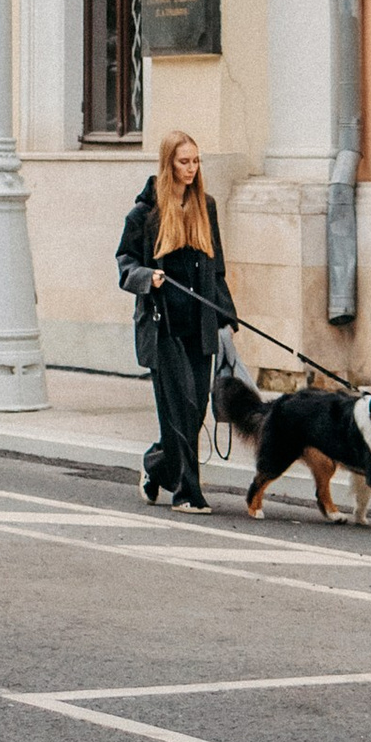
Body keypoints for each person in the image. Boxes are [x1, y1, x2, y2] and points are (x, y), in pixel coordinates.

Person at [116, 127, 237, 510]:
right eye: (184, 162)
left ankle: (156, 466)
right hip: (162, 323)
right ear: (168, 164)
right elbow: (124, 264)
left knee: (196, 406)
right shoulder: (145, 213)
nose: (192, 168)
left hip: (199, 323)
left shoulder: (207, 206)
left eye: (196, 161)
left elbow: (216, 270)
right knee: (178, 407)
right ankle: (187, 493)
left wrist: (227, 319)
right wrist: (146, 278)